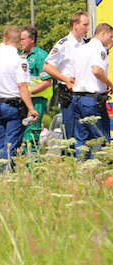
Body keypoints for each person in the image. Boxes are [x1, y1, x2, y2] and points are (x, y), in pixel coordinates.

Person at [0, 26, 39, 171]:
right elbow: (22, 86)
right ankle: (5, 175)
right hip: (14, 106)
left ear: (4, 39)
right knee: (10, 144)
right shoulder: (19, 60)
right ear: (18, 41)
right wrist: (31, 108)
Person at [44, 11, 90, 141]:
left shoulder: (86, 44)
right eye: (85, 25)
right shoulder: (64, 44)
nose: (87, 28)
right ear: (75, 25)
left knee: (86, 135)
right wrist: (66, 79)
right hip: (70, 95)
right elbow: (47, 66)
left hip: (85, 94)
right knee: (71, 136)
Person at [70, 23, 113, 160]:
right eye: (111, 37)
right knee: (101, 138)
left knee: (81, 141)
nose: (111, 41)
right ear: (103, 34)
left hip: (77, 99)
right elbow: (96, 70)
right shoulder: (98, 49)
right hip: (92, 101)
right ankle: (99, 175)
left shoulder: (81, 49)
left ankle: (82, 173)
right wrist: (110, 84)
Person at [19, 26, 53, 153]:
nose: (20, 42)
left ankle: (33, 168)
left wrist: (28, 92)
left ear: (32, 39)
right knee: (22, 136)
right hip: (24, 100)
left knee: (32, 135)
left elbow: (47, 82)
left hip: (37, 100)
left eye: (23, 39)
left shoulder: (41, 56)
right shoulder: (21, 56)